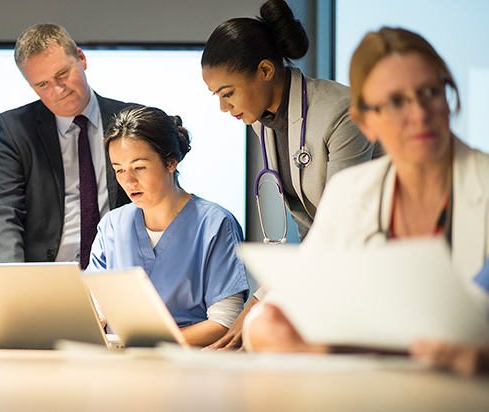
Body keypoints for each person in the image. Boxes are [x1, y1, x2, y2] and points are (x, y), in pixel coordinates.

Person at [244, 27, 489, 375]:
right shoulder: (351, 192)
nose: (419, 114)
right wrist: (266, 329)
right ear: (365, 122)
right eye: (395, 102)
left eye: (431, 92)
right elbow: (274, 316)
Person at [201, 0, 380, 350]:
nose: (223, 107)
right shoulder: (262, 122)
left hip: (370, 262)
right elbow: (307, 223)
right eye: (216, 97)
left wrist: (258, 301)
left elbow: (337, 225)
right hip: (328, 265)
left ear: (266, 70)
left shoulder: (339, 112)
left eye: (228, 93)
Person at [87, 106, 249, 347]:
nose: (128, 181)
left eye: (139, 167)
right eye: (119, 170)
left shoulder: (215, 224)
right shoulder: (112, 225)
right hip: (119, 363)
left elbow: (225, 322)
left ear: (171, 162)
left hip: (189, 363)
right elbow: (93, 301)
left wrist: (152, 346)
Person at [0, 23, 135, 268]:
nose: (57, 89)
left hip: (120, 274)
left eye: (62, 73)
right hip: (45, 277)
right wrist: (12, 282)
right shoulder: (13, 129)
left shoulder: (133, 120)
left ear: (81, 59)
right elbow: (2, 214)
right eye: (42, 85)